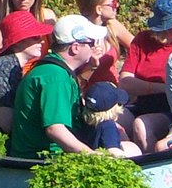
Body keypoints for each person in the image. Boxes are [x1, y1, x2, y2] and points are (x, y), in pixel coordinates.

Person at [10, 14, 118, 158]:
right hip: (44, 161)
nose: (95, 47)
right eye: (91, 43)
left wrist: (91, 66)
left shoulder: (52, 70)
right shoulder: (55, 77)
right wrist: (93, 156)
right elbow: (55, 130)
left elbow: (67, 91)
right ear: (75, 48)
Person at [125, 0, 172, 151]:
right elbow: (125, 82)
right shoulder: (143, 40)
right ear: (168, 24)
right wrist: (163, 88)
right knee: (112, 121)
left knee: (141, 125)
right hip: (143, 104)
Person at [0, 9, 52, 132]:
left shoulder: (10, 65)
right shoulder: (5, 68)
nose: (42, 40)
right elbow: (7, 123)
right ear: (17, 43)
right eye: (35, 37)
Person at [73, 0, 130, 86]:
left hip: (115, 92)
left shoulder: (112, 26)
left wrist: (127, 76)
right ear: (99, 9)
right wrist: (91, 66)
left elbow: (137, 50)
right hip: (89, 96)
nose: (117, 5)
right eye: (113, 2)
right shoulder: (78, 35)